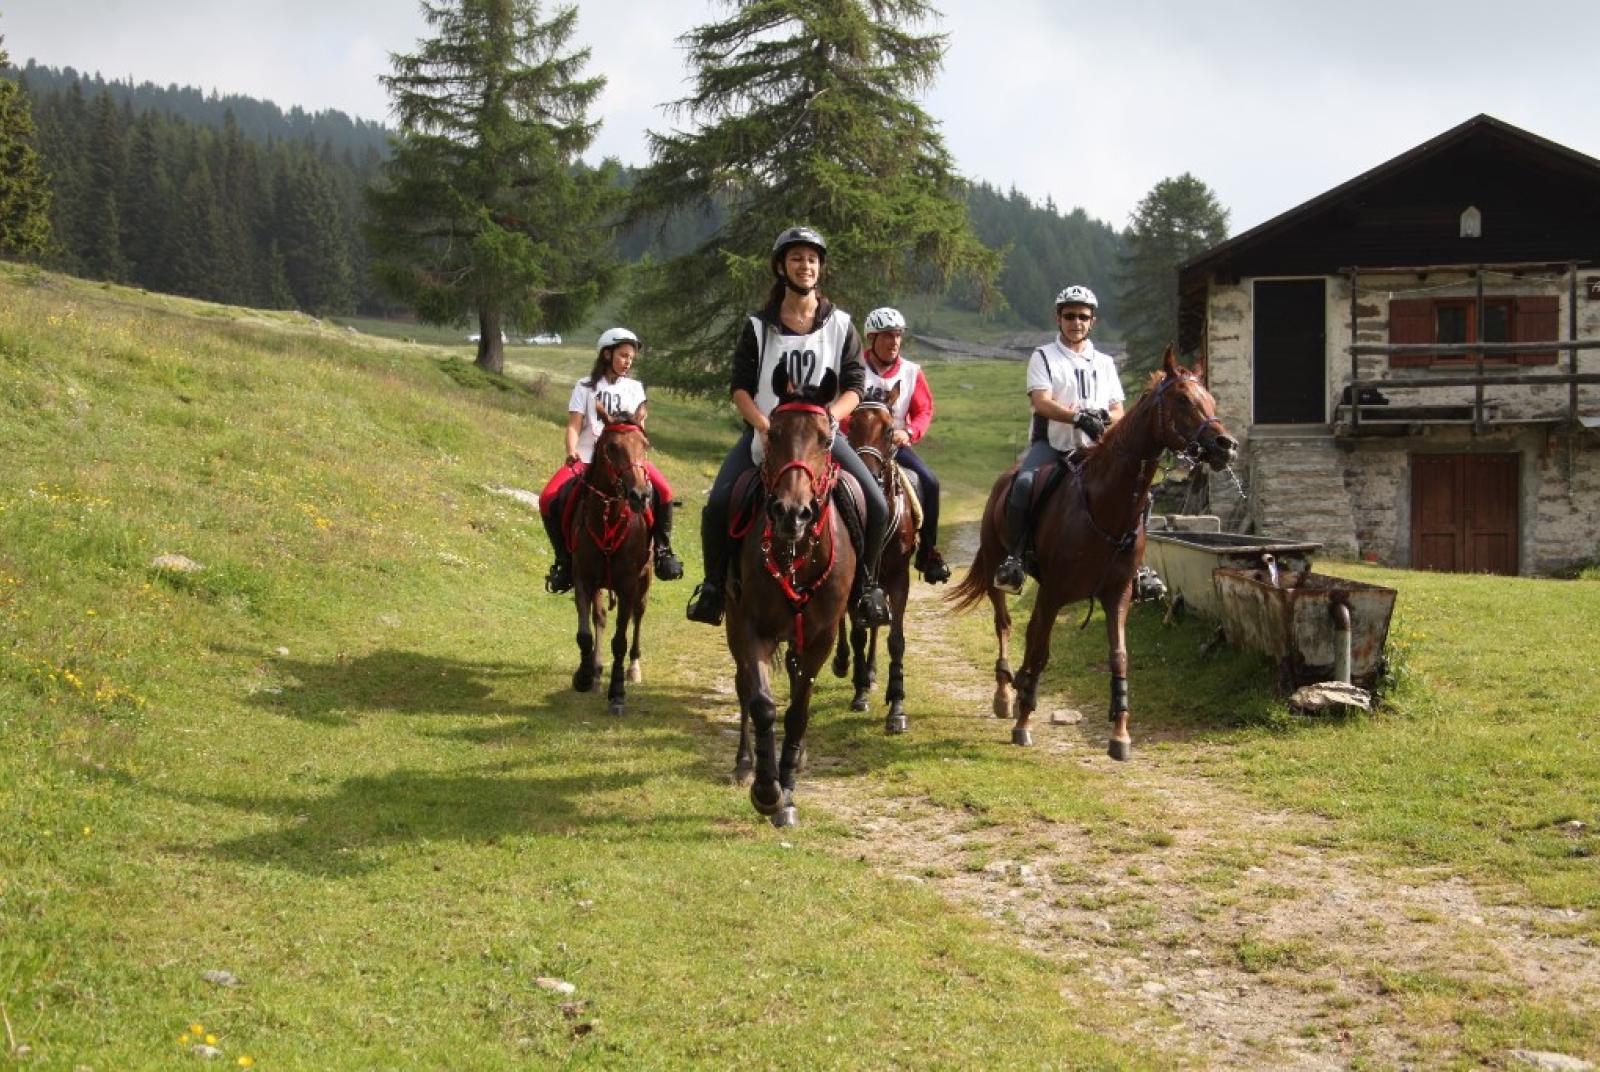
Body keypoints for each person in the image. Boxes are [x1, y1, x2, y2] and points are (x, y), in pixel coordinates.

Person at [685, 226, 892, 628]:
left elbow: (854, 385)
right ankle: (713, 588)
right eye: (797, 258)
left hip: (821, 437)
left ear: (821, 268)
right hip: (768, 435)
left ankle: (866, 588)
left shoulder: (841, 325)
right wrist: (762, 425)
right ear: (781, 266)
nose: (806, 266)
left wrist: (830, 419)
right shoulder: (759, 326)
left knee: (877, 504)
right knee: (718, 504)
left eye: (812, 259)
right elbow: (740, 388)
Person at [992, 285, 1126, 594]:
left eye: (1083, 316)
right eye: (1069, 316)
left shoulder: (1105, 362)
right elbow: (1041, 401)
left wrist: (1102, 417)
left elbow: (1119, 410)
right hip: (1052, 445)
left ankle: (1135, 563)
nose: (1076, 322)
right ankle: (1014, 558)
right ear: (1058, 318)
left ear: (1092, 321)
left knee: (1136, 489)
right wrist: (1077, 417)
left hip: (1096, 449)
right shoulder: (1043, 356)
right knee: (1023, 483)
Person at [540, 328, 682, 593]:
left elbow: (640, 430)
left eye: (631, 357)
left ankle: (663, 551)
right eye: (623, 355)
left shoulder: (635, 388)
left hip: (628, 462)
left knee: (664, 492)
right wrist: (571, 450)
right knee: (548, 498)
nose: (628, 361)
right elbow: (574, 425)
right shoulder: (585, 387)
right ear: (607, 354)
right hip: (586, 460)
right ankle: (564, 559)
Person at [857, 307, 950, 583]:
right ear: (871, 338)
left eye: (897, 335)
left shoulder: (912, 372)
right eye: (887, 336)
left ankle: (928, 553)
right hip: (858, 447)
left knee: (930, 483)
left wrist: (908, 432)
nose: (894, 341)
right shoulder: (854, 369)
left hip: (896, 445)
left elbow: (924, 411)